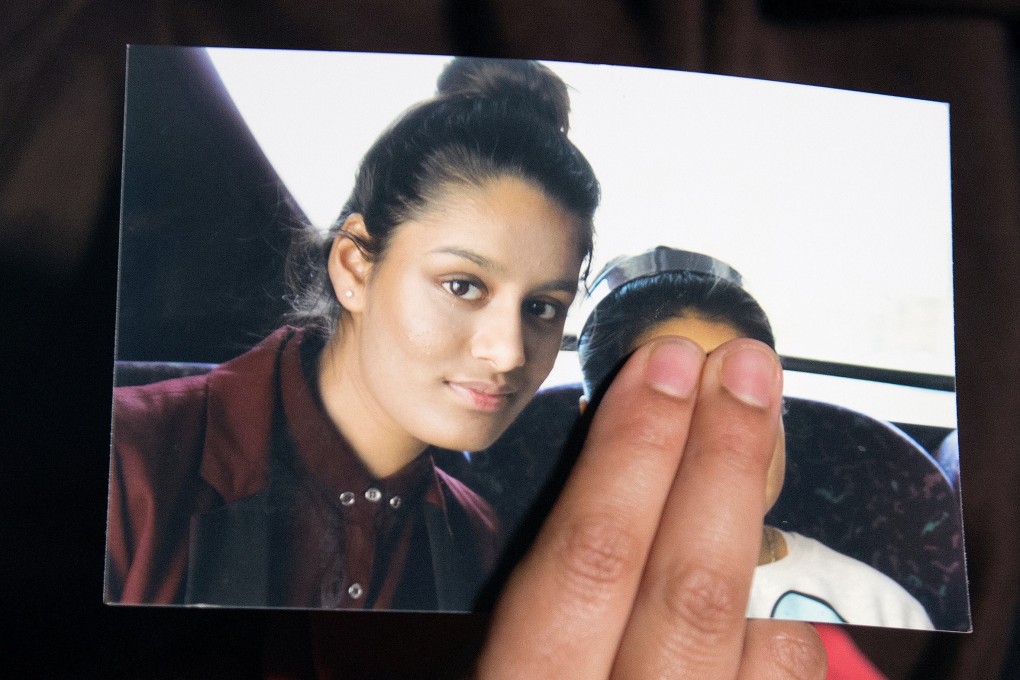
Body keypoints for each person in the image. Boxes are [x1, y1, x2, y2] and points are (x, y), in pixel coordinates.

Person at [106, 56, 600, 610]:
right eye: (463, 286)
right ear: (354, 267)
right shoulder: (125, 463)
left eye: (541, 306)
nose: (508, 352)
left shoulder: (477, 543)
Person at [575, 246, 934, 631]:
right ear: (591, 427)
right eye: (673, 403)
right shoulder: (563, 601)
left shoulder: (881, 610)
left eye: (746, 399)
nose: (722, 443)